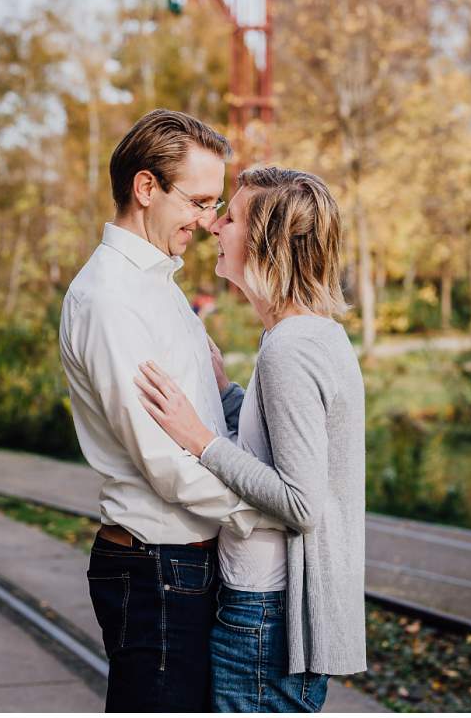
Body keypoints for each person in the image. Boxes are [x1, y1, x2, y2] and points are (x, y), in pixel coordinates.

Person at [59, 109, 277, 712]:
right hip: (156, 572)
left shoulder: (159, 286)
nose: (210, 223)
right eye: (200, 202)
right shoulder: (110, 299)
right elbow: (164, 462)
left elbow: (199, 422)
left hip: (181, 569)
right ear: (146, 187)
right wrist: (265, 518)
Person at [135, 166, 367, 711]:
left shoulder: (292, 348)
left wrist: (200, 439)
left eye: (232, 218)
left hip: (267, 615)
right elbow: (288, 446)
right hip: (270, 608)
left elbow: (301, 502)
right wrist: (230, 394)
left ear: (268, 243)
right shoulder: (307, 334)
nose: (214, 226)